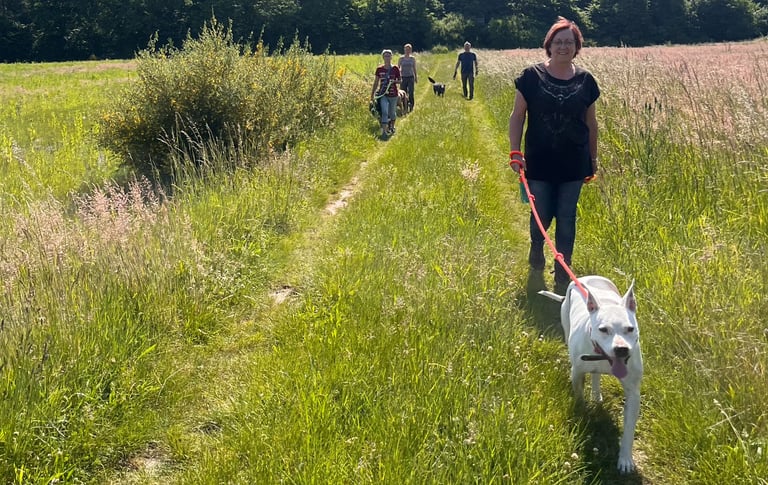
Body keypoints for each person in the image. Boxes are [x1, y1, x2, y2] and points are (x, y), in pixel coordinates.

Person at [508, 17, 600, 288]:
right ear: (549, 45)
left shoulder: (586, 81)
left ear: (576, 46)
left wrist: (592, 160)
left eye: (568, 42)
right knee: (542, 215)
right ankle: (537, 248)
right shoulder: (530, 77)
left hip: (574, 163)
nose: (563, 47)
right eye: (558, 42)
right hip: (539, 161)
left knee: (567, 217)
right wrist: (515, 152)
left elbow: (591, 123)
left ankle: (563, 271)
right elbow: (517, 116)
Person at [371, 49, 402, 139]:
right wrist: (372, 94)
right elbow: (376, 82)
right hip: (383, 94)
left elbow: (400, 81)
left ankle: (392, 127)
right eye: (385, 56)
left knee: (392, 113)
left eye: (389, 56)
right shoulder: (379, 69)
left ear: (391, 57)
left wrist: (394, 81)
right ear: (383, 57)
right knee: (384, 112)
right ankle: (384, 132)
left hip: (393, 95)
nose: (387, 58)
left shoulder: (395, 68)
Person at [398, 43, 417, 112]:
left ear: (411, 50)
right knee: (403, 92)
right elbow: (398, 68)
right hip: (403, 77)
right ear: (404, 50)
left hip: (411, 77)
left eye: (409, 49)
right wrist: (398, 77)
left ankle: (411, 105)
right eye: (406, 49)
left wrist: (416, 77)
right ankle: (404, 107)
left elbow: (414, 68)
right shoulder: (401, 58)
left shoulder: (412, 58)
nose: (407, 51)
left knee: (411, 92)